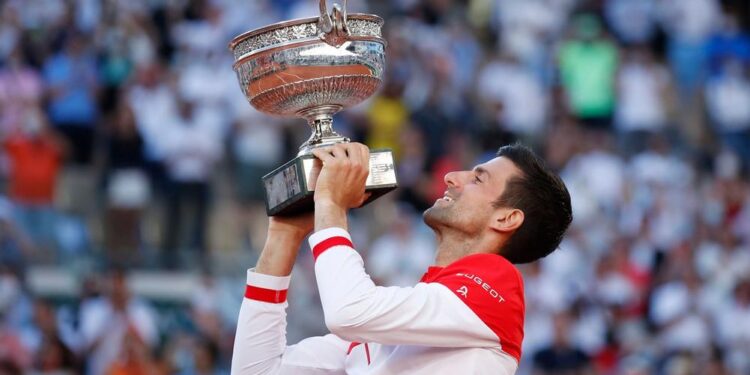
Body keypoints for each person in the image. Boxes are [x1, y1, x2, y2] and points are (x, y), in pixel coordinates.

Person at [231, 143, 572, 374]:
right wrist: (285, 236)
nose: (452, 177)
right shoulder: (399, 320)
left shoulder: (498, 284)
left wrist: (331, 205)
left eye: (478, 178)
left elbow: (348, 312)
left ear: (506, 219)